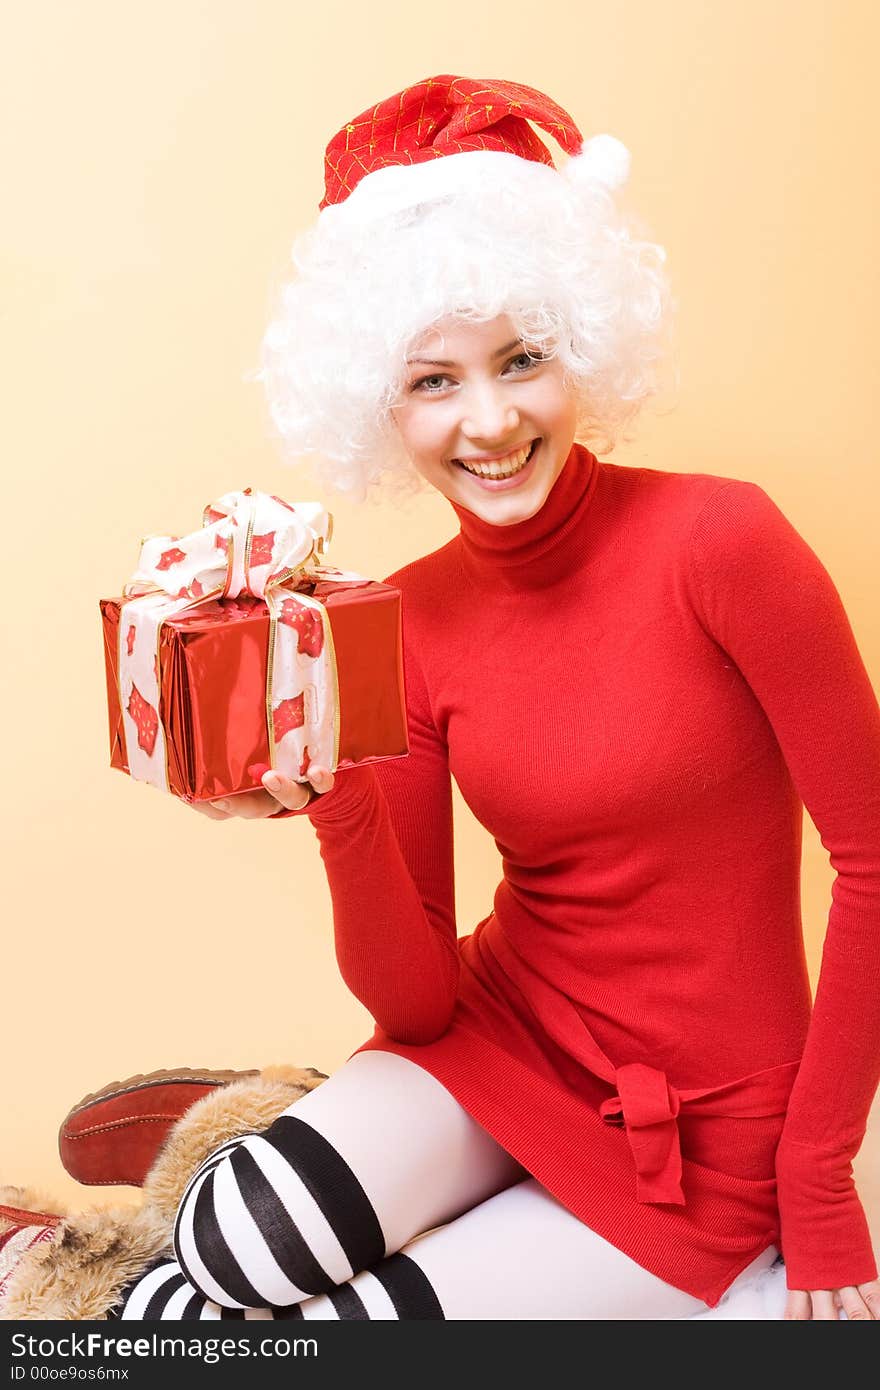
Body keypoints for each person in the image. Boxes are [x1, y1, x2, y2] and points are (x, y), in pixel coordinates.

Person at [111, 74, 880, 1320]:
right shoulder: (401, 615)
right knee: (215, 1256)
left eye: (521, 361)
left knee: (311, 1338)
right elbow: (413, 998)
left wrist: (818, 1175)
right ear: (380, 401)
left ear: (579, 348)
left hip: (703, 1120)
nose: (489, 421)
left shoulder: (723, 543)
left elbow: (875, 859)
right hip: (498, 1032)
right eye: (433, 382)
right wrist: (335, 796)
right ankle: (93, 1245)